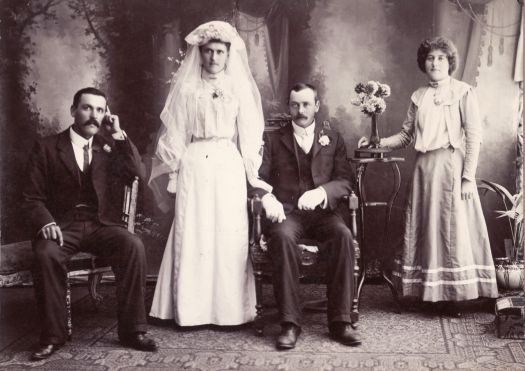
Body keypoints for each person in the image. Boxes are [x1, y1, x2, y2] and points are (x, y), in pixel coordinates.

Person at [359, 37, 498, 315]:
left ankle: (453, 295)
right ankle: (430, 294)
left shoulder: (463, 92)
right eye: (430, 58)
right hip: (424, 170)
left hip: (451, 167)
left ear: (450, 63)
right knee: (427, 228)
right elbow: (406, 135)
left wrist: (468, 177)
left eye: (441, 58)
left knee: (451, 229)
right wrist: (376, 141)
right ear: (423, 62)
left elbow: (474, 136)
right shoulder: (418, 96)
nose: (435, 63)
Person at [148, 21, 271, 326]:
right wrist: (174, 172)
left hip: (228, 163)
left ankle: (230, 311)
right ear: (199, 54)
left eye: (219, 52)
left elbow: (250, 133)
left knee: (229, 233)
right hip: (195, 162)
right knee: (195, 231)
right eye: (208, 51)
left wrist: (251, 174)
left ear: (228, 55)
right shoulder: (188, 88)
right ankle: (190, 310)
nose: (214, 57)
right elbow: (175, 132)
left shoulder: (237, 88)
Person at [23, 87, 158, 361]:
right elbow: (30, 197)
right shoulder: (48, 147)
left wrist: (119, 134)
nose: (93, 116)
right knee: (45, 253)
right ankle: (52, 336)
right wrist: (45, 221)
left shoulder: (108, 147)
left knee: (132, 245)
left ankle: (133, 331)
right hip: (62, 226)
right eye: (86, 108)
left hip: (100, 225)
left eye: (99, 110)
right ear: (73, 111)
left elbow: (137, 174)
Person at [251, 82, 361, 350]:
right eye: (295, 105)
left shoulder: (332, 138)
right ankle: (289, 323)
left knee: (343, 236)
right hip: (288, 213)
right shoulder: (274, 139)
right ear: (289, 106)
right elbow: (257, 178)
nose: (300, 111)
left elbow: (345, 181)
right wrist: (267, 198)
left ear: (317, 106)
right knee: (282, 238)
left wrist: (322, 192)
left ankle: (340, 322)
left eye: (306, 104)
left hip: (323, 213)